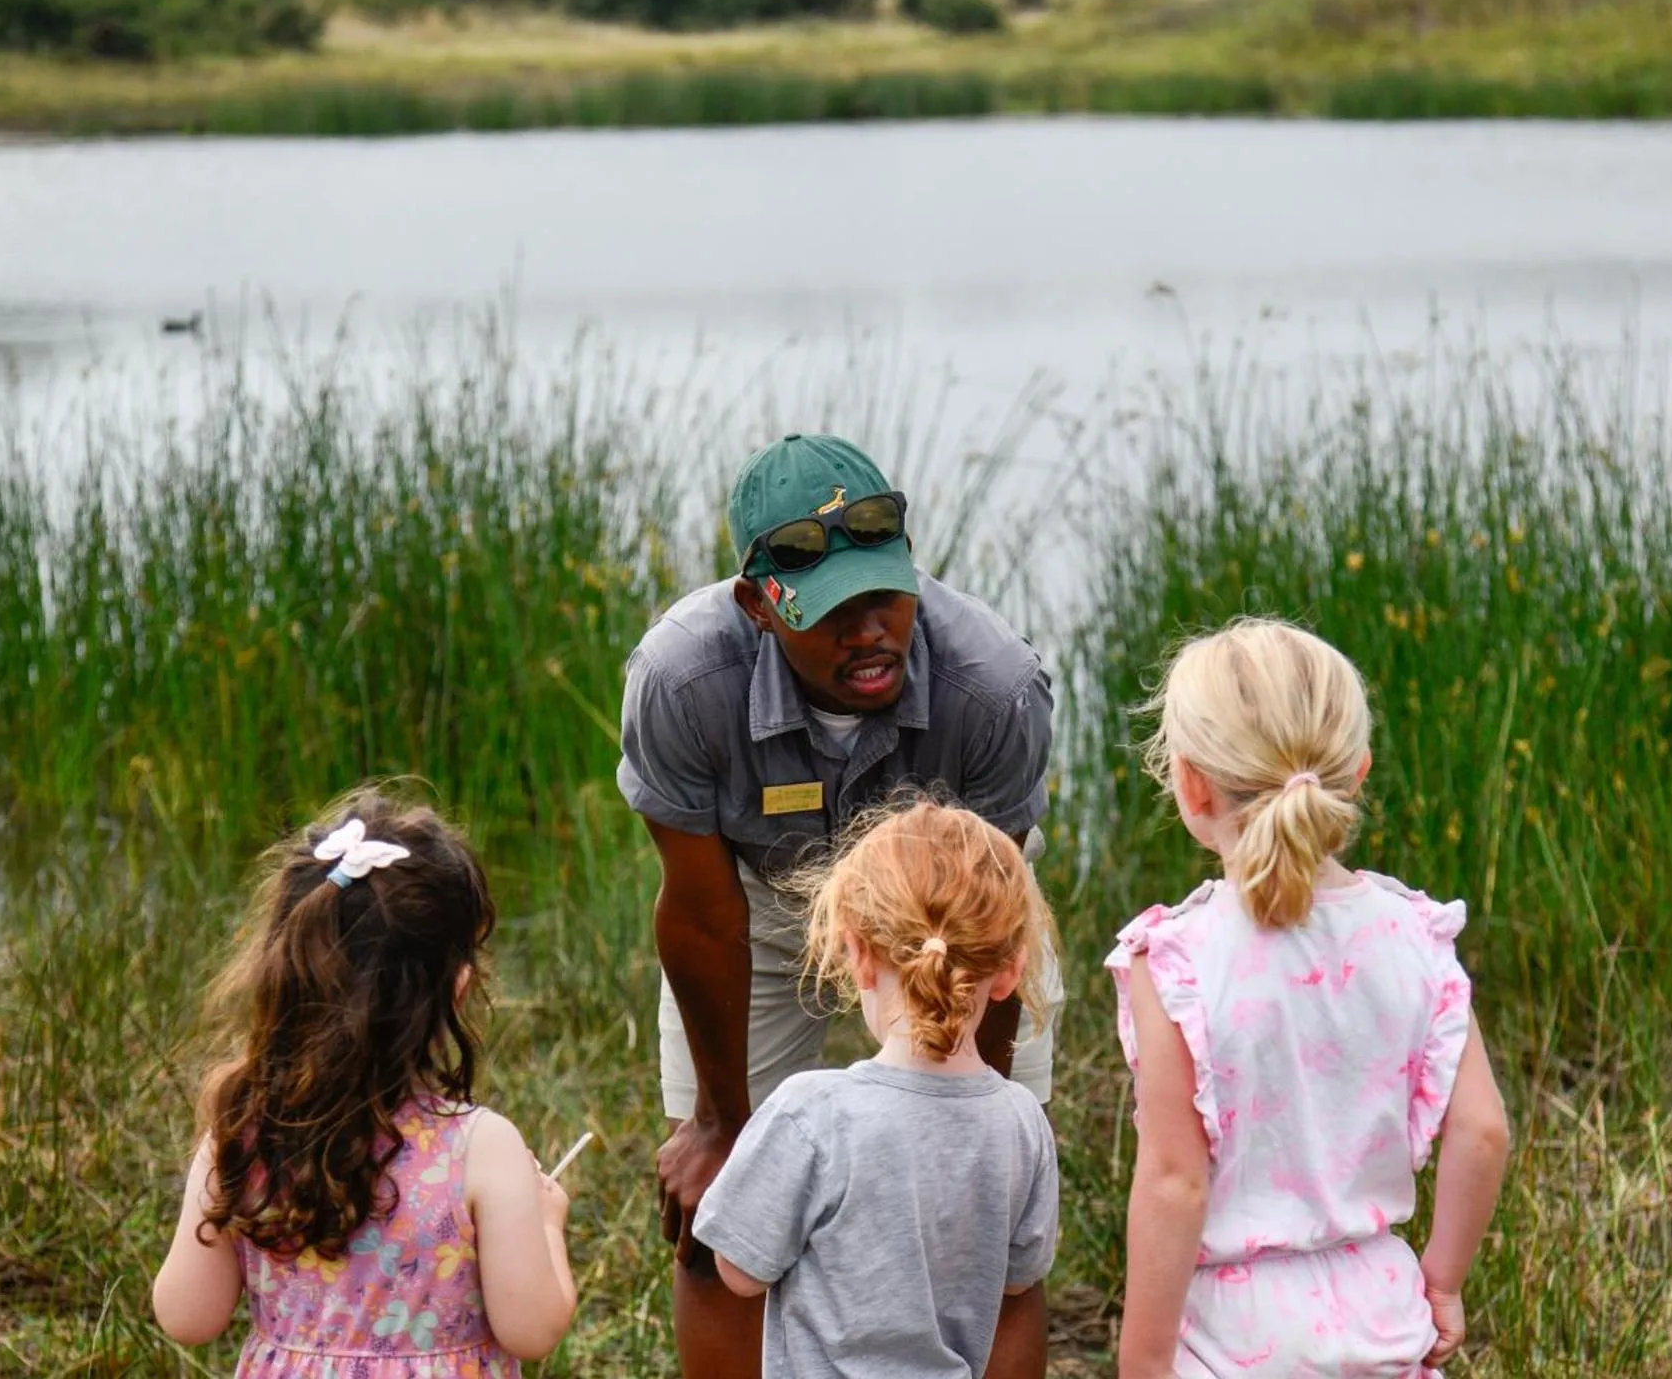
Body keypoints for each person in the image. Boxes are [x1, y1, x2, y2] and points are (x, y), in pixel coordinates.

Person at [617, 432, 1062, 1379]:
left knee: (991, 1226)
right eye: (831, 611)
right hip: (760, 909)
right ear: (759, 607)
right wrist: (719, 1122)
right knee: (718, 1211)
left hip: (959, 915)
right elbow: (701, 914)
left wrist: (972, 1125)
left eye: (885, 597)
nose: (870, 633)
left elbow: (995, 913)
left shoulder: (997, 689)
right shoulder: (681, 681)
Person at [1106, 619, 1512, 1379]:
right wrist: (1442, 1280)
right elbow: (1483, 1132)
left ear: (1190, 784)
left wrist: (1145, 1360)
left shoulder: (1177, 963)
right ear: (1357, 774)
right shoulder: (1417, 936)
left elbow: (1173, 1182)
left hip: (1235, 1334)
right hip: (1383, 1311)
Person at [152, 789, 579, 1375]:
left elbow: (186, 1316)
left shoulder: (244, 1131)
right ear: (457, 987)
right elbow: (532, 1329)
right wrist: (549, 1224)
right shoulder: (481, 1147)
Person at [692, 800, 1062, 1379]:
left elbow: (739, 1271)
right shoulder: (1020, 1120)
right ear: (1009, 972)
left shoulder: (811, 1113)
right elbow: (1018, 1279)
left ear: (858, 954)